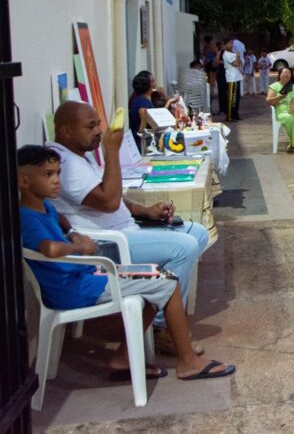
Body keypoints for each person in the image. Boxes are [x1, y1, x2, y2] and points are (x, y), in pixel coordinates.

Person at [18, 145, 234, 381]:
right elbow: (49, 249)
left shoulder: (44, 207)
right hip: (75, 288)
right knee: (168, 283)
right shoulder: (27, 217)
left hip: (84, 278)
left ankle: (124, 357)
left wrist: (73, 234)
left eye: (58, 173)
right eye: (48, 175)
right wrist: (79, 247)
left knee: (156, 281)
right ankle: (188, 362)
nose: (56, 180)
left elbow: (61, 219)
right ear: (24, 181)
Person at [47, 102, 211, 353]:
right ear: (66, 131)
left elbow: (109, 193)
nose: (99, 132)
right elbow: (108, 201)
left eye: (98, 125)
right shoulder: (64, 163)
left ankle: (155, 305)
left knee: (198, 233)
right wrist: (112, 152)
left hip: (125, 232)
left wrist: (143, 210)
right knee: (184, 248)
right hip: (106, 246)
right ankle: (160, 326)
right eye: (90, 127)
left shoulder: (79, 155)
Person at [266, 67, 294, 153]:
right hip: (282, 112)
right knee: (291, 119)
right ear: (280, 75)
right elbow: (268, 100)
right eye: (285, 74)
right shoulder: (274, 86)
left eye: (289, 74)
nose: (287, 76)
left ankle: (293, 144)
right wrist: (279, 97)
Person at [216, 40, 243, 122]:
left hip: (237, 77)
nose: (231, 45)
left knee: (237, 98)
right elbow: (236, 64)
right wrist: (238, 56)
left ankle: (235, 114)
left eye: (232, 43)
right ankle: (230, 116)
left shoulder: (233, 53)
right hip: (231, 78)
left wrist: (238, 57)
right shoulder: (226, 54)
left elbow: (240, 63)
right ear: (225, 45)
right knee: (232, 98)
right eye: (229, 43)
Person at [128, 72, 154, 150]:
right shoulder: (142, 103)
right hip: (142, 144)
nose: (154, 84)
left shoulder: (142, 100)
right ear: (147, 85)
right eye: (152, 81)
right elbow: (143, 126)